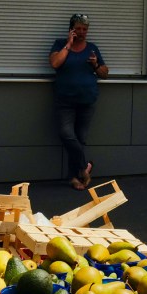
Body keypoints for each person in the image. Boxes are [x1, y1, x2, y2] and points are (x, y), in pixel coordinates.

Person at [49, 13, 108, 190]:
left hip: (87, 100)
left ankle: (74, 177)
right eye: (78, 29)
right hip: (65, 100)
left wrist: (96, 65)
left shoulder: (92, 48)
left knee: (80, 140)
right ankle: (84, 168)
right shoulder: (60, 44)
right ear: (71, 29)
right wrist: (68, 44)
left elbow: (104, 73)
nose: (82, 32)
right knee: (67, 135)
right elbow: (55, 64)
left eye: (85, 29)